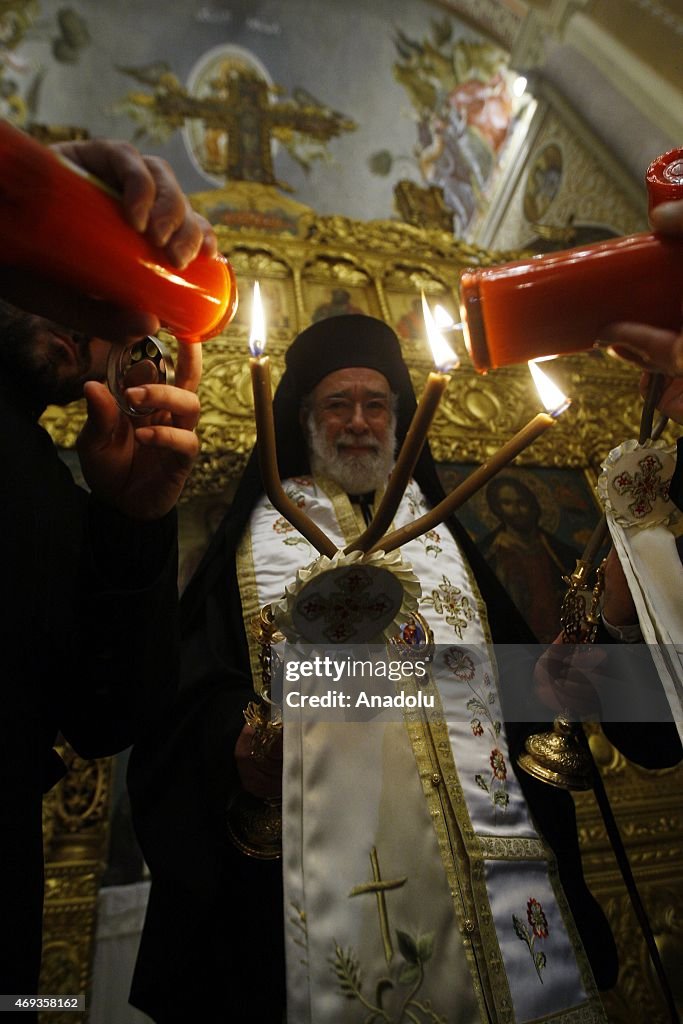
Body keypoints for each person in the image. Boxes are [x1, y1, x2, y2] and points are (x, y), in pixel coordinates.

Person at [129, 315, 627, 1023]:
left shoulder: (440, 525)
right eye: (337, 404)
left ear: (400, 419)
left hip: (491, 866)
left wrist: (577, 661)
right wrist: (234, 742)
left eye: (375, 404)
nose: (358, 422)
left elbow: (501, 686)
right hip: (319, 871)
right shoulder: (258, 536)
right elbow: (188, 694)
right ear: (303, 418)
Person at [0, 136, 211, 1017]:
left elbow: (105, 717)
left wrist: (134, 522)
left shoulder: (57, 484)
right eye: (75, 272)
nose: (84, 317)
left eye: (110, 304)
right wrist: (27, 187)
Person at [481, 476, 580, 642]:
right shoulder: (488, 552)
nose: (516, 510)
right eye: (507, 503)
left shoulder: (559, 550)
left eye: (521, 502)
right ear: (497, 508)